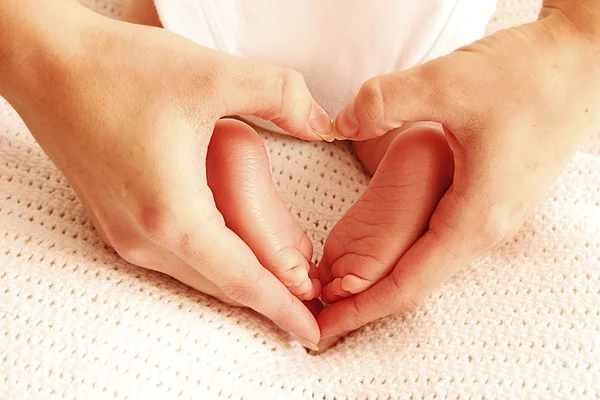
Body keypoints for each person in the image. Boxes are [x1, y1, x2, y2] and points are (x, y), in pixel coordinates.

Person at [1, 0, 598, 352]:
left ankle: (222, 139)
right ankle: (420, 144)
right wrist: (578, 31)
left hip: (202, 22)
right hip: (412, 28)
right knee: (423, 101)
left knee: (157, 51)